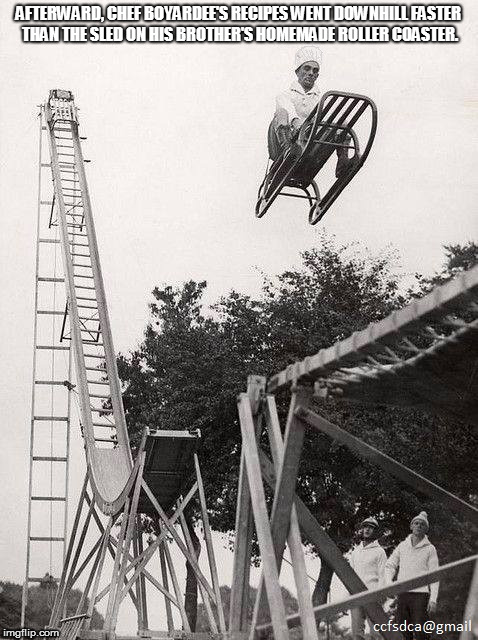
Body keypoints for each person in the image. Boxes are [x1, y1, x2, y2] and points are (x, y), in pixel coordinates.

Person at [268, 46, 350, 176]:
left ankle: (343, 159)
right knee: (281, 113)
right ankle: (288, 152)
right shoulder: (286, 95)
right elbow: (286, 108)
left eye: (315, 70)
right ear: (298, 71)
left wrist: (340, 126)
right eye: (307, 68)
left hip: (309, 143)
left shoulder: (320, 99)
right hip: (286, 141)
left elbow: (329, 117)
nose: (311, 73)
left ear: (317, 75)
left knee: (341, 120)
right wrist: (296, 122)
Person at [385, 511, 439, 640]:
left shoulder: (430, 549)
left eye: (422, 524)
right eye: (416, 523)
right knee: (403, 632)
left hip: (421, 596)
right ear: (411, 526)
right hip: (403, 594)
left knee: (421, 632)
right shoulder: (403, 546)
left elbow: (435, 575)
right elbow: (390, 565)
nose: (418, 526)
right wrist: (389, 584)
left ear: (425, 529)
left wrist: (433, 599)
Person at [349, 516, 387, 640]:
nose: (367, 530)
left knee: (376, 633)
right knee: (356, 633)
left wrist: (381, 594)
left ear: (375, 531)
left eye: (371, 528)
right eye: (365, 526)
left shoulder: (380, 551)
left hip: (373, 594)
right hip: (356, 595)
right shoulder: (355, 552)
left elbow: (383, 575)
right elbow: (351, 574)